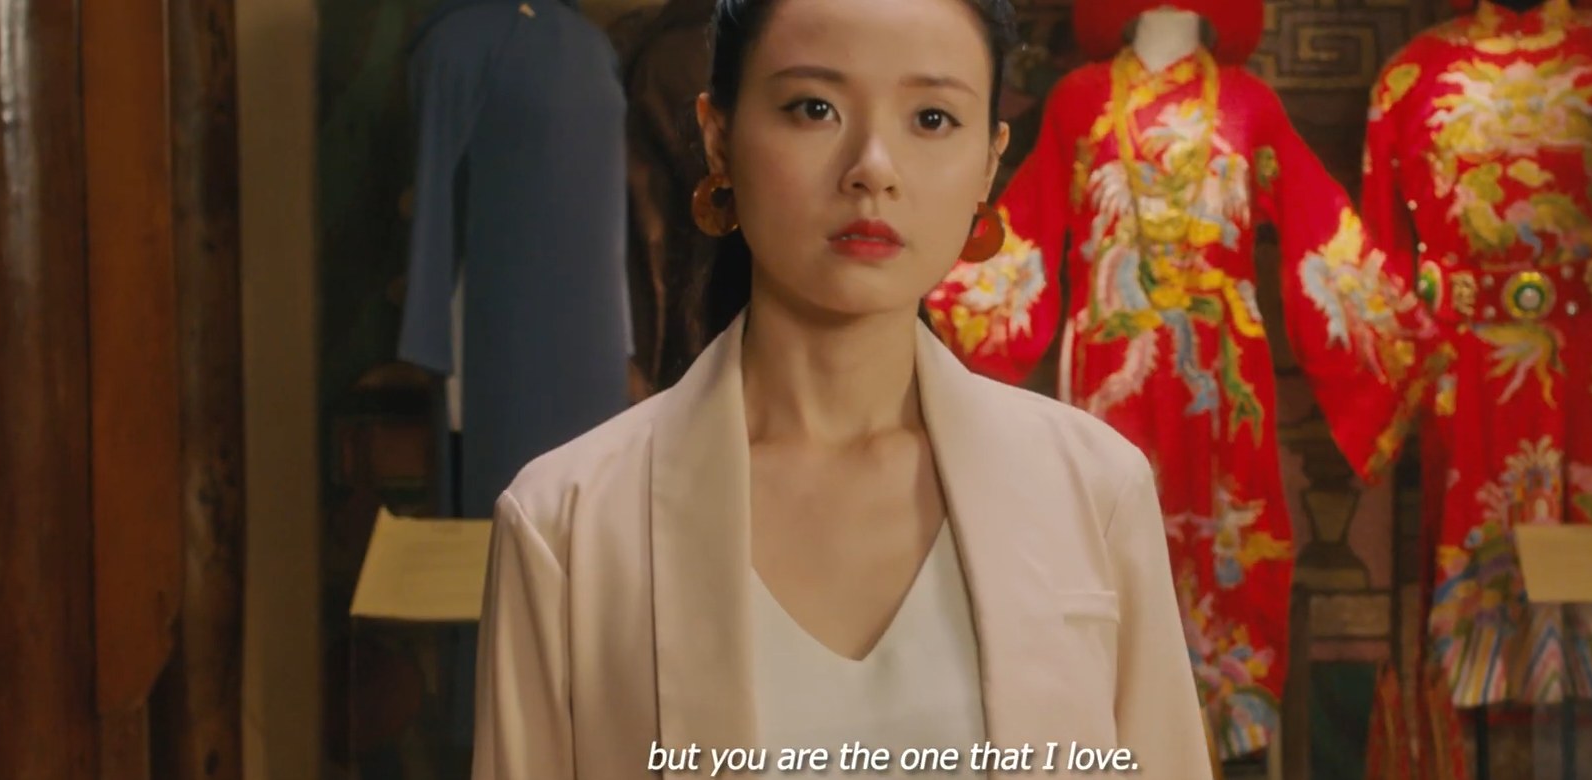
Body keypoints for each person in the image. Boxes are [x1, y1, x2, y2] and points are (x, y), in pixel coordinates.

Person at [469, 0, 1218, 778]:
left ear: (988, 163)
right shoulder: (566, 524)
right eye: (813, 108)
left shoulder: (1095, 491)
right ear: (719, 137)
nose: (873, 167)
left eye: (931, 118)